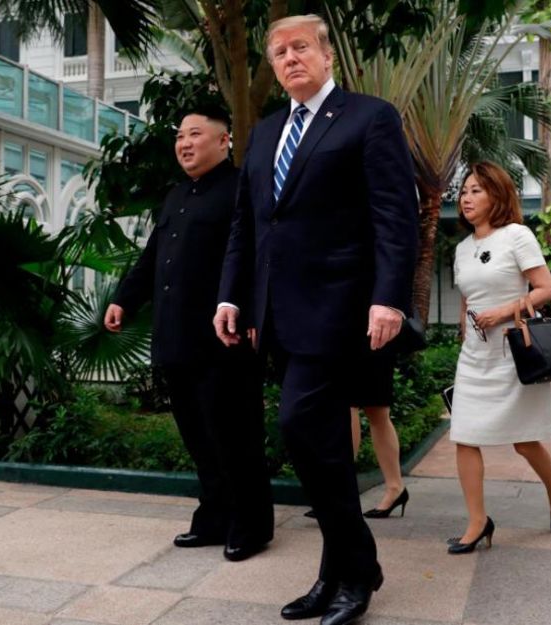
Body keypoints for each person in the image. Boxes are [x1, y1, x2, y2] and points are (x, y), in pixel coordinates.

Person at [212, 14, 418, 625]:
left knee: (300, 424)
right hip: (278, 312)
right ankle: (339, 571)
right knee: (319, 443)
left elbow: (394, 217)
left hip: (342, 307)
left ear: (327, 56)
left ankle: (355, 567)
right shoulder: (267, 130)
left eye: (300, 46)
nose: (289, 58)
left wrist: (390, 298)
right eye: (278, 52)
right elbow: (249, 224)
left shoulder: (368, 117)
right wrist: (232, 296)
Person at [105, 108, 273, 563]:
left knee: (236, 434)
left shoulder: (243, 188)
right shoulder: (176, 194)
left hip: (225, 339)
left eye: (195, 134)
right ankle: (214, 516)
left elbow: (258, 257)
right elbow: (151, 257)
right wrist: (124, 298)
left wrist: (254, 313)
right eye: (180, 135)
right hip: (176, 336)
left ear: (224, 141)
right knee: (198, 435)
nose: (184, 143)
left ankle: (252, 524)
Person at [446, 161, 551, 555]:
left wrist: (502, 312)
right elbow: (467, 301)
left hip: (513, 352)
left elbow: (546, 288)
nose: (466, 198)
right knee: (464, 437)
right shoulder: (462, 249)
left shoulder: (517, 236)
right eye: (464, 191)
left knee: (524, 440)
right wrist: (466, 337)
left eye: (476, 191)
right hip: (475, 356)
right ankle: (477, 522)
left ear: (497, 196)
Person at [304, 354, 409, 520]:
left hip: (374, 335)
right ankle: (341, 490)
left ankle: (391, 488)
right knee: (352, 404)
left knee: (373, 409)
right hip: (347, 336)